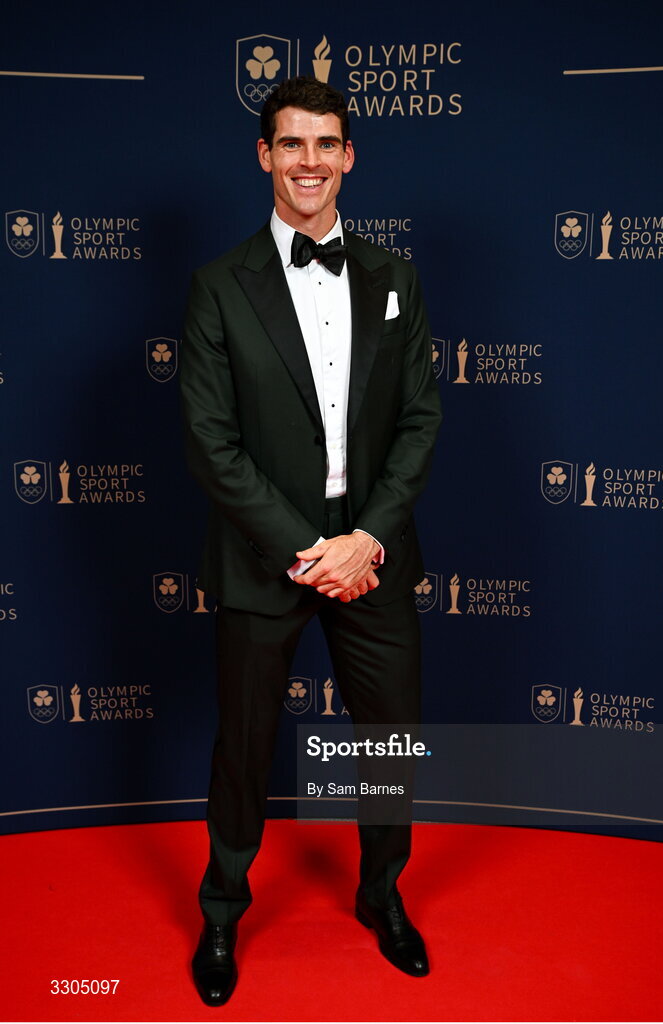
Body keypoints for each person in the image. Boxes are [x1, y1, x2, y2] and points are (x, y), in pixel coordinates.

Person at [180, 75, 442, 1007]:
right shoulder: (218, 287)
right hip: (266, 561)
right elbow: (212, 444)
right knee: (244, 749)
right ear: (265, 156)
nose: (308, 162)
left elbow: (420, 420)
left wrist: (365, 536)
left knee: (385, 746)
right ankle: (221, 911)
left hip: (374, 556)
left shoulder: (395, 280)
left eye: (325, 144)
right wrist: (309, 548)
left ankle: (382, 896)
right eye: (291, 144)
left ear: (348, 157)